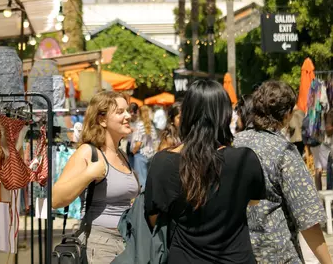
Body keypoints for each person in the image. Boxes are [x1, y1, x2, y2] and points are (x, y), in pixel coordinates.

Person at [145, 80, 266, 264]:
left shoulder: (163, 162)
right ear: (224, 115)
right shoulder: (245, 159)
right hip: (236, 258)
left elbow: (153, 217)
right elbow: (253, 201)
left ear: (187, 115)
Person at [234, 81, 331, 264]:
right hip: (276, 254)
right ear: (287, 114)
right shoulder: (284, 152)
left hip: (237, 251)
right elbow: (308, 217)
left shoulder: (233, 144)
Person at [52, 91, 140, 264]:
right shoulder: (88, 152)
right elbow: (55, 199)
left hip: (127, 241)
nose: (128, 116)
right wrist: (88, 174)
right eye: (120, 112)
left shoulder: (121, 154)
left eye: (128, 110)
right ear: (102, 120)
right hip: (100, 245)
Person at [131, 105, 157, 189]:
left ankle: (141, 201)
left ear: (139, 113)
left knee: (141, 181)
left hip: (140, 154)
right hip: (151, 154)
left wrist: (133, 152)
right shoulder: (151, 125)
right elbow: (155, 141)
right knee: (149, 179)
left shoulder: (139, 125)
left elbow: (138, 143)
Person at [125, 102, 140, 168]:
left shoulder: (140, 122)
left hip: (138, 148)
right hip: (128, 145)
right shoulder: (127, 121)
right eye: (130, 112)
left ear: (137, 111)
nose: (132, 114)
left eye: (133, 112)